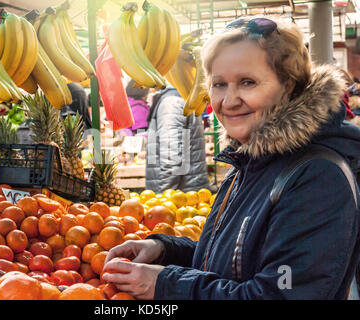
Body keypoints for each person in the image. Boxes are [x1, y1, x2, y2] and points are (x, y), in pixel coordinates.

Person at [102, 17, 360, 300]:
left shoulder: (316, 178)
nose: (229, 100)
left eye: (247, 82)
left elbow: (279, 294)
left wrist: (167, 286)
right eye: (219, 84)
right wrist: (166, 251)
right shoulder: (251, 161)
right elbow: (233, 265)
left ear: (288, 86)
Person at [144, 84, 211, 193]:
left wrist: (163, 198)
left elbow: (172, 160)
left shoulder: (171, 103)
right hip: (186, 193)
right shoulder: (182, 98)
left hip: (178, 198)